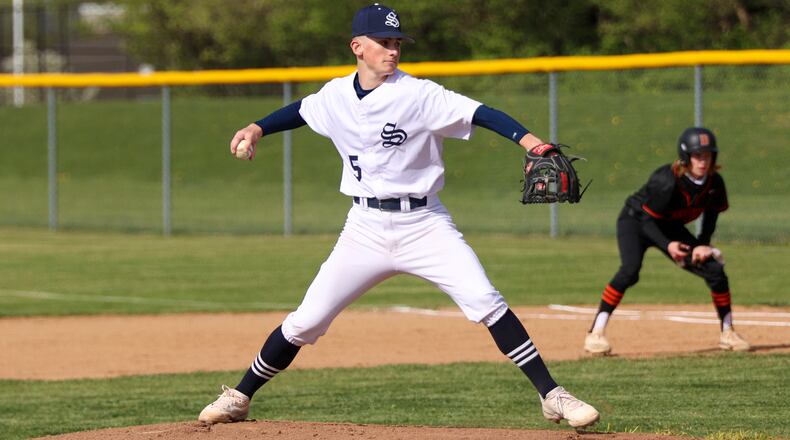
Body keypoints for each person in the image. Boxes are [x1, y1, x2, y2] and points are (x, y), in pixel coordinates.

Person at [199, 4, 599, 429]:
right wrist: (257, 127)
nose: (393, 51)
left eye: (397, 44)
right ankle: (239, 397)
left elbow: (480, 113)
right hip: (364, 229)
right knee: (307, 320)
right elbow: (299, 111)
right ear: (358, 47)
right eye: (384, 43)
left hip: (425, 225)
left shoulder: (420, 94)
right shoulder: (334, 96)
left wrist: (531, 143)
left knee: (485, 300)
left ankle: (552, 395)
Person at [583, 127, 751, 355]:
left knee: (714, 270)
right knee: (630, 270)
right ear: (685, 156)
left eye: (708, 155)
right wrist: (668, 245)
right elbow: (647, 220)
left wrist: (703, 243)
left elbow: (711, 214)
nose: (703, 161)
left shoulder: (714, 183)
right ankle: (595, 333)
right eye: (697, 155)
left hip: (668, 227)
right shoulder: (668, 180)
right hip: (635, 221)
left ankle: (728, 332)